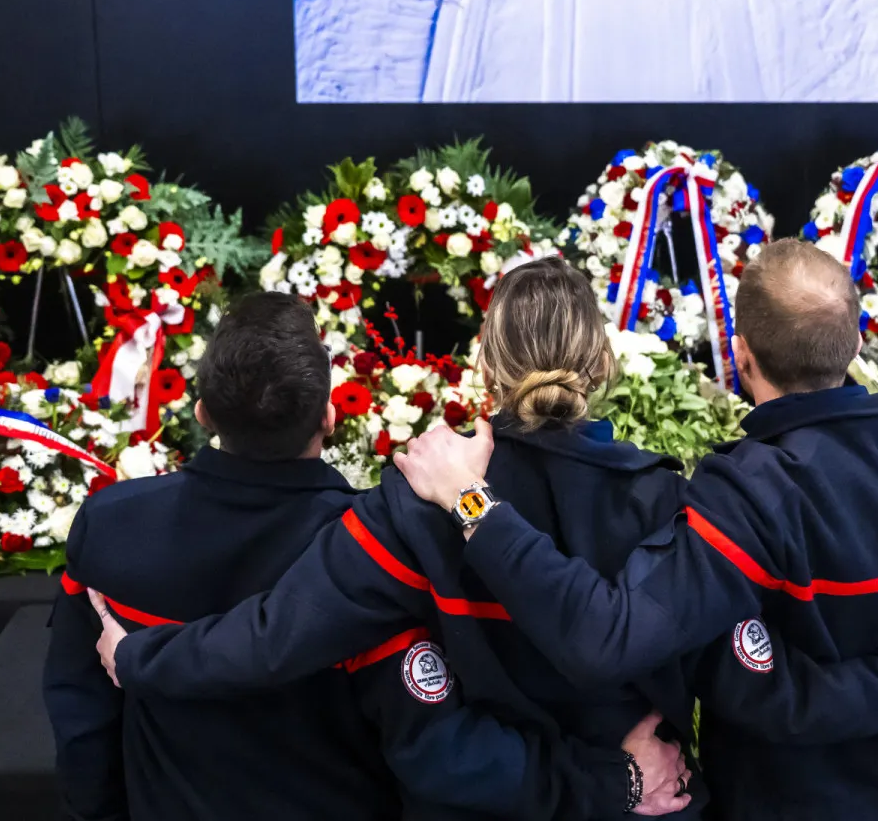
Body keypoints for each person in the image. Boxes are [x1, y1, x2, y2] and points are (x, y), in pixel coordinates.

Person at [85, 259, 878, 817]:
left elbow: (274, 635)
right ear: (604, 364)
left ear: (486, 366)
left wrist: (145, 658)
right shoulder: (674, 503)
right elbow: (757, 686)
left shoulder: (416, 502)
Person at [390, 239, 878, 819]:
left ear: (740, 356)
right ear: (857, 344)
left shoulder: (745, 492)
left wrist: (473, 505)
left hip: (763, 798)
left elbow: (664, 654)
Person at [44, 291, 682, 821]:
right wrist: (612, 783)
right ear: (328, 415)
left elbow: (89, 710)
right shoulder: (669, 499)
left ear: (203, 412)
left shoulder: (110, 524)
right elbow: (429, 739)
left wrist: (135, 658)